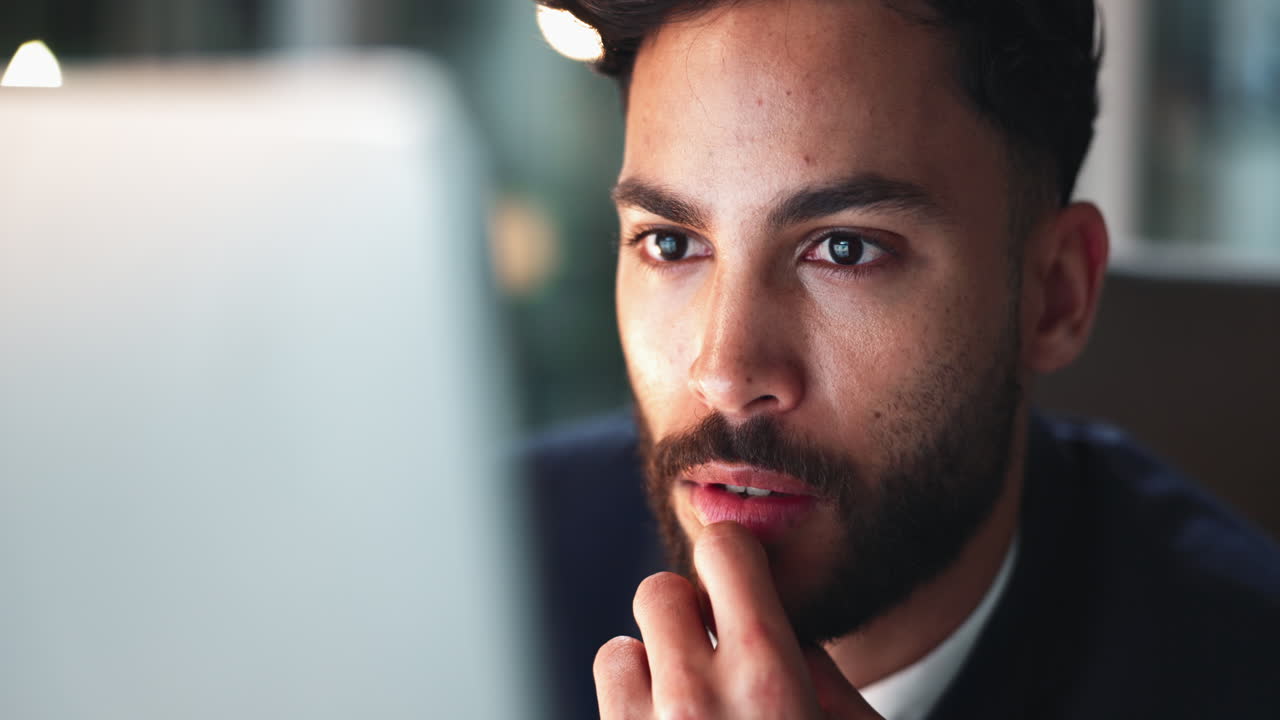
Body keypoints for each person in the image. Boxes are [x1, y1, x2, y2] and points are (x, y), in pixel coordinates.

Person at [524, 1, 1280, 718]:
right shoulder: (473, 565)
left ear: (1055, 295)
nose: (724, 373)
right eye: (670, 242)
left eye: (844, 250)